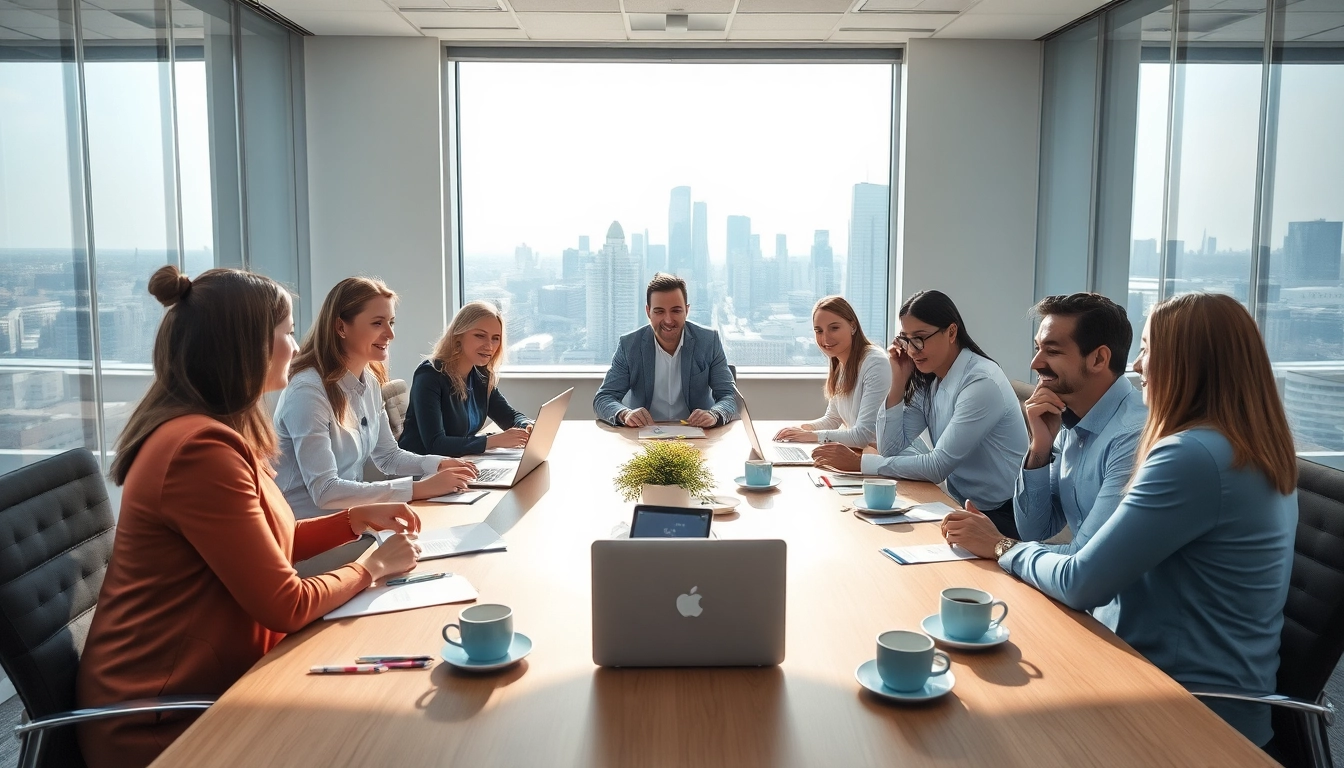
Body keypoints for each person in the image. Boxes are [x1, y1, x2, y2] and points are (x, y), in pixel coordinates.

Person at [77, 267, 424, 768]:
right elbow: (284, 601)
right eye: (285, 332)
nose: (294, 345)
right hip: (163, 721)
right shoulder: (199, 450)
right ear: (246, 345)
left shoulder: (221, 431)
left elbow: (269, 541)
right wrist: (372, 568)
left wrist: (354, 521)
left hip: (219, 681)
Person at [946, 292, 1296, 748]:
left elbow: (1082, 580)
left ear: (1187, 363)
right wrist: (1039, 451)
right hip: (1153, 675)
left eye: (1150, 350)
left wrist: (999, 546)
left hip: (1188, 714)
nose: (1137, 366)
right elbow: (1047, 538)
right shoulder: (1238, 446)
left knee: (983, 725)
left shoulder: (1189, 455)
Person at [941, 293, 1146, 555]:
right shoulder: (1068, 420)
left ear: (1098, 359)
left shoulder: (1133, 436)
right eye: (1038, 348)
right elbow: (1034, 530)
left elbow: (1090, 559)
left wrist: (999, 545)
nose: (1035, 363)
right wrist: (1039, 448)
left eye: (1052, 351)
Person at [813, 290, 1028, 536]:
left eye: (921, 338)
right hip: (961, 504)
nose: (913, 349)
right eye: (906, 339)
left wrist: (859, 463)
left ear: (951, 332)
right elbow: (891, 447)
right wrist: (898, 384)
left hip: (1004, 515)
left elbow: (937, 466)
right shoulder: (930, 378)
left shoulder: (981, 383)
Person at [273, 277, 476, 519]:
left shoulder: (368, 381)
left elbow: (388, 456)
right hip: (307, 530)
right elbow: (325, 491)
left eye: (391, 322)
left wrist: (438, 464)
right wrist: (418, 489)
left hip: (351, 518)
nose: (390, 333)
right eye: (377, 323)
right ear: (340, 328)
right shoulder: (308, 391)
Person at [593, 272, 737, 428]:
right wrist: (625, 414)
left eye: (676, 310)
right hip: (644, 434)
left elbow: (730, 396)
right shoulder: (629, 345)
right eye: (659, 311)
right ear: (648, 312)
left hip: (697, 434)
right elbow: (604, 398)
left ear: (687, 310)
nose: (668, 320)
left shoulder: (709, 341)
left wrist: (714, 414)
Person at [399, 300, 533, 457]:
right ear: (458, 337)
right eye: (480, 336)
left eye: (495, 338)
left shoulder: (481, 376)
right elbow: (435, 444)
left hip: (458, 462)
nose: (489, 346)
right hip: (422, 470)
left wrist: (526, 426)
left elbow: (510, 416)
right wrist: (492, 441)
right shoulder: (429, 375)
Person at [772, 295, 891, 449]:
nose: (825, 338)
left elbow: (863, 436)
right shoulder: (841, 363)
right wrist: (800, 429)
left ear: (853, 326)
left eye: (834, 328)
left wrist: (811, 436)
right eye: (818, 331)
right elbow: (832, 419)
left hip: (886, 461)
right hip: (864, 456)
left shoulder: (875, 362)